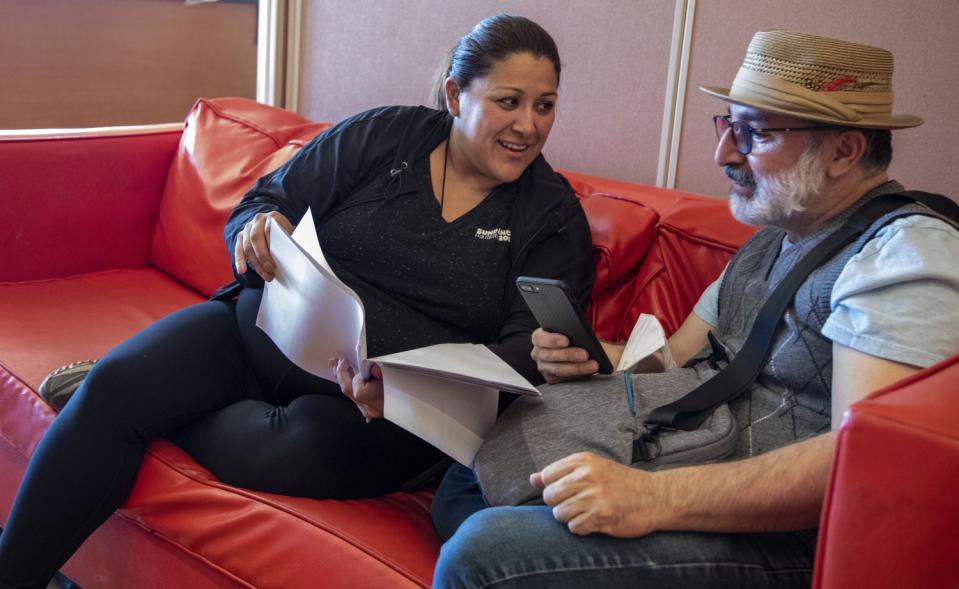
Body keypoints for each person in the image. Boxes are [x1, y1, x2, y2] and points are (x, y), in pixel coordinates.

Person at [0, 14, 595, 588]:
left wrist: (413, 389)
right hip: (259, 330)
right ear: (455, 95)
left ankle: (156, 410)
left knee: (297, 441)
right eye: (508, 101)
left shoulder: (553, 216)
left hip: (382, 407)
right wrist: (259, 227)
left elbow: (525, 353)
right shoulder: (384, 135)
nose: (528, 125)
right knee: (116, 390)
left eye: (544, 105)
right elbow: (263, 203)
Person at [432, 29, 959, 588]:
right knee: (476, 475)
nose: (723, 153)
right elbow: (676, 359)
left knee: (487, 550)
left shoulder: (904, 258)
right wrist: (587, 356)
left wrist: (648, 497)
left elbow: (867, 468)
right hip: (700, 455)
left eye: (752, 133)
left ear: (844, 151)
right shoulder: (775, 238)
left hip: (787, 542)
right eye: (728, 124)